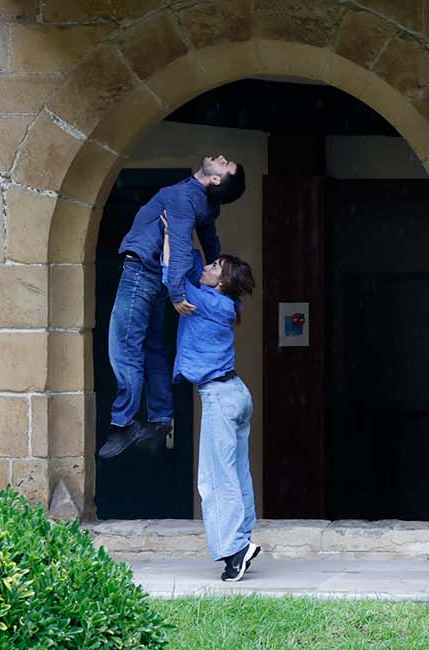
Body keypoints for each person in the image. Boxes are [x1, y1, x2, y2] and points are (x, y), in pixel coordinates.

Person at [98, 155, 247, 459]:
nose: (221, 158)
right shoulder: (203, 201)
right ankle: (160, 416)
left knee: (124, 346)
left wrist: (178, 292)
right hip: (154, 275)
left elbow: (179, 246)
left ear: (215, 180)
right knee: (153, 347)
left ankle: (124, 421)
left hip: (142, 271)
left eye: (225, 164)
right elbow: (212, 242)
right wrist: (225, 288)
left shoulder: (185, 197)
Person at [161, 218, 261, 582]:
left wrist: (172, 234)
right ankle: (242, 539)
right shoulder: (224, 304)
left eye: (214, 266)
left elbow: (172, 275)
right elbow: (187, 267)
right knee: (236, 473)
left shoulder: (205, 301)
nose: (206, 266)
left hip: (220, 396)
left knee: (215, 479)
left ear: (221, 282)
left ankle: (235, 550)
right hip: (235, 393)